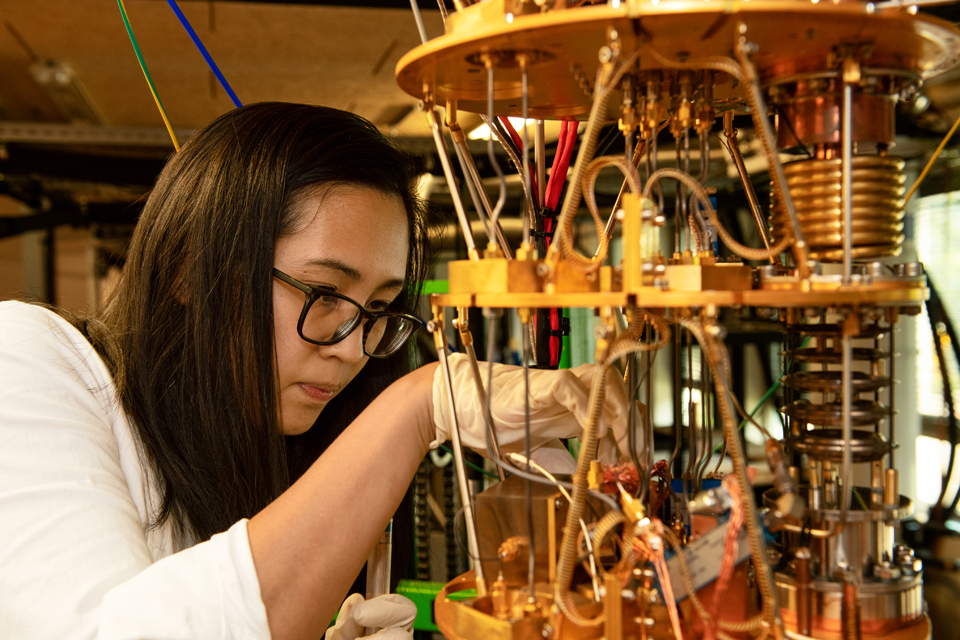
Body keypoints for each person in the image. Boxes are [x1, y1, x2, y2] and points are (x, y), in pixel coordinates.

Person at [0, 102, 636, 640]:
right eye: (323, 291)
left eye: (380, 308)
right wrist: (417, 404)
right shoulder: (28, 355)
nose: (353, 345)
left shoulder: (252, 454)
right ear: (189, 270)